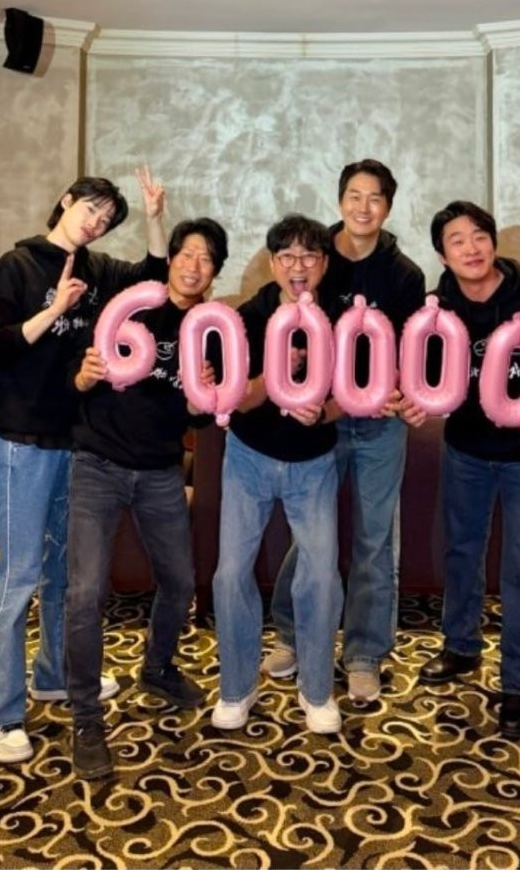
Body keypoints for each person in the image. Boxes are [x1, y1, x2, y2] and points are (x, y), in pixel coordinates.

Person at [0, 169, 168, 765]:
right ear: (66, 201)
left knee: (63, 572)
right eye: (91, 209)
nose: (96, 222)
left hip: (76, 442)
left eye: (106, 219)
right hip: (23, 442)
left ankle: (54, 675)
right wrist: (56, 307)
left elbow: (153, 281)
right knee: (18, 574)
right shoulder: (17, 265)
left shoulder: (98, 269)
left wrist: (154, 217)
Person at [64, 217, 230, 779]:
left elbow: (199, 417)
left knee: (180, 581)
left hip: (160, 470)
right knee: (85, 593)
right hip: (97, 464)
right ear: (171, 258)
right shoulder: (131, 305)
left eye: (206, 258)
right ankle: (86, 716)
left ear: (214, 272)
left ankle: (157, 667)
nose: (193, 265)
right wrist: (83, 377)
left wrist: (202, 398)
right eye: (186, 253)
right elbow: (76, 368)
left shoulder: (211, 330)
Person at [264, 160, 425, 704]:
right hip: (319, 423)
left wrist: (403, 391)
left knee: (374, 540)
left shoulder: (404, 275)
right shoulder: (315, 259)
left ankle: (364, 654)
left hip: (380, 425)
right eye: (354, 196)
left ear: (388, 207)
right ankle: (290, 635)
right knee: (309, 536)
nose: (363, 207)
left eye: (374, 198)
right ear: (340, 201)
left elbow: (409, 352)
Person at [412, 200, 520, 738]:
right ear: (443, 255)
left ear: (494, 242)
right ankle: (461, 645)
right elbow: (425, 373)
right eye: (457, 241)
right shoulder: (437, 310)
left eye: (479, 236)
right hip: (467, 450)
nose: (471, 248)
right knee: (462, 550)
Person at [211, 215, 344, 735]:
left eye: (309, 256)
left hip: (314, 463)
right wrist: (273, 375)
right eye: (287, 256)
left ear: (324, 264)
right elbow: (232, 399)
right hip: (249, 457)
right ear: (272, 264)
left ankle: (317, 690)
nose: (298, 266)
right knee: (230, 573)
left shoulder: (341, 318)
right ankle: (236, 687)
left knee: (321, 574)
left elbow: (354, 395)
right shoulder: (248, 317)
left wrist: (323, 411)